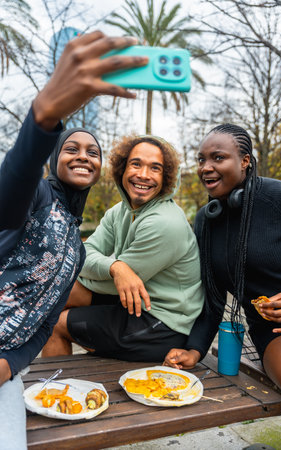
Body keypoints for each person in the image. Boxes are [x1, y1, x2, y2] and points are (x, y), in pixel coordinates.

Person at [0, 30, 149, 450]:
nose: (83, 155)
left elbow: (46, 318)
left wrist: (11, 364)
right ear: (54, 158)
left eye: (93, 151)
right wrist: (44, 120)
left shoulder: (77, 241)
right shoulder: (38, 194)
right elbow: (12, 191)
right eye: (71, 148)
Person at [163, 123, 281, 406]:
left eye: (218, 157)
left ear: (245, 161)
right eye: (201, 160)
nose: (206, 167)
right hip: (279, 334)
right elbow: (213, 298)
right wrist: (195, 350)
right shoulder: (205, 220)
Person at [42, 134, 205, 362]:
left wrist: (110, 271)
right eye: (136, 164)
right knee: (53, 294)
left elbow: (111, 282)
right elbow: (85, 254)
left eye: (155, 168)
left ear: (166, 177)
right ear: (122, 169)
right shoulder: (119, 211)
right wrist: (116, 267)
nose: (143, 175)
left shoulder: (164, 223)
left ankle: (56, 391)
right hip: (132, 301)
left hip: (164, 323)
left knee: (55, 323)